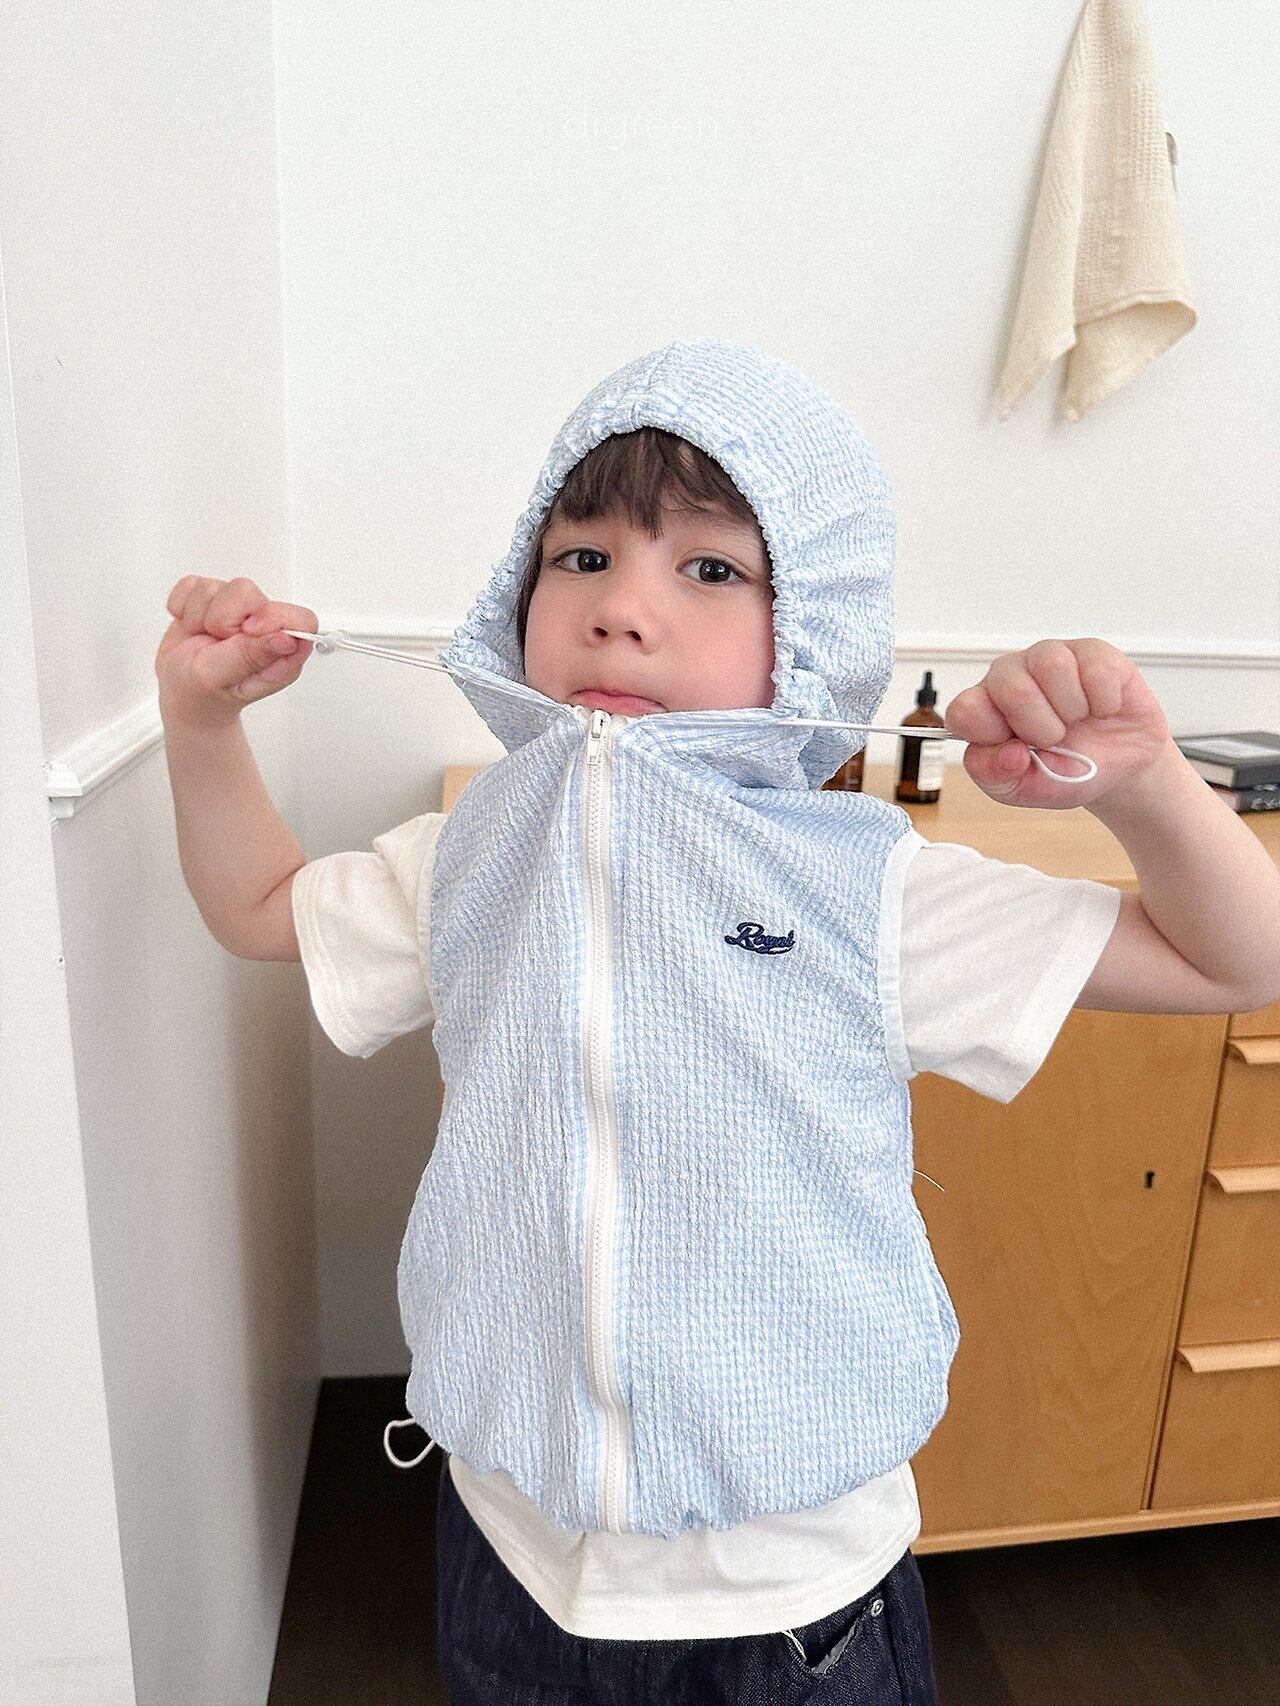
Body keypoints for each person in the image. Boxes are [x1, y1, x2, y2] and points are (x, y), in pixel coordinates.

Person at [155, 338, 1280, 1705]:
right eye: (581, 556)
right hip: (511, 1552)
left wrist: (1146, 786)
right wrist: (199, 727)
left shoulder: (861, 887)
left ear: (810, 625)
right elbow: (261, 906)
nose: (622, 608)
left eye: (708, 568)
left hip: (792, 1591)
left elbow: (1235, 958)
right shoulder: (472, 856)